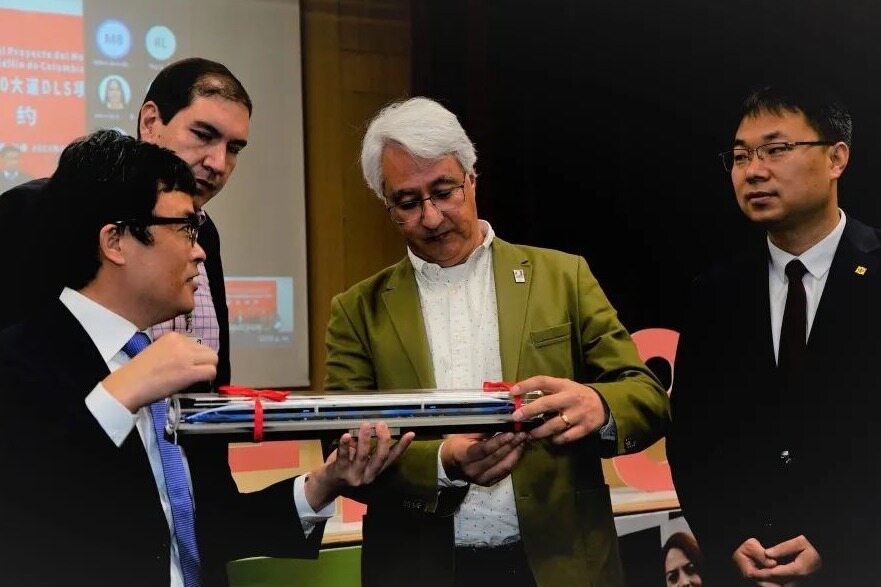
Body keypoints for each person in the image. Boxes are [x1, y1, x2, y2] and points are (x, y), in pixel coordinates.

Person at [0, 129, 414, 586]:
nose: (199, 251)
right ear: (115, 241)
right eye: (184, 227)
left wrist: (325, 482)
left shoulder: (174, 368)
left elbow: (206, 523)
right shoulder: (19, 362)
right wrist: (118, 396)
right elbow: (29, 512)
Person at [323, 96, 670, 587]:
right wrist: (442, 463)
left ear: (472, 178)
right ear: (387, 205)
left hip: (562, 566)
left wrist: (599, 405)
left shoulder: (563, 277)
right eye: (408, 202)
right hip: (421, 569)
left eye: (444, 191)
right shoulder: (357, 310)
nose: (431, 217)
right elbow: (339, 444)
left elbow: (646, 394)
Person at [667, 85, 881, 584]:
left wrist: (840, 539)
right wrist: (725, 535)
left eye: (776, 149)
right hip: (747, 567)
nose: (753, 171)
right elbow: (692, 438)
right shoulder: (715, 291)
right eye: (741, 156)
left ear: (836, 158)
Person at [0, 57, 243, 389]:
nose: (218, 163)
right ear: (151, 121)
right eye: (203, 135)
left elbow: (214, 379)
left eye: (234, 148)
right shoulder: (29, 211)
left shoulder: (206, 233)